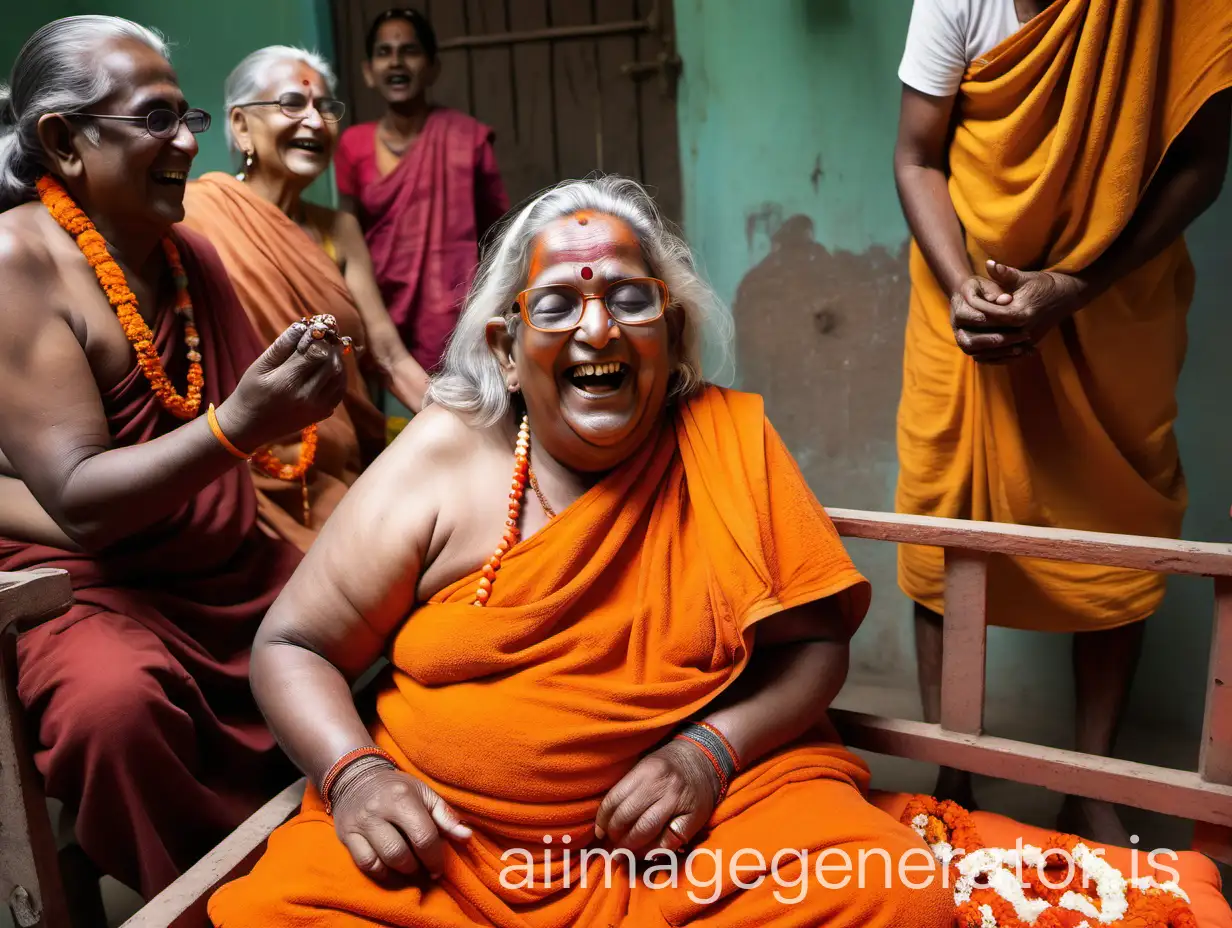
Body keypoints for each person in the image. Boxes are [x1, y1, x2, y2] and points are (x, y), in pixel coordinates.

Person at [207, 177, 953, 927]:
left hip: (703, 835)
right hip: (456, 851)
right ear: (505, 349)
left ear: (672, 330)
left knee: (892, 893)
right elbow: (294, 644)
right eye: (558, 304)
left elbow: (815, 644)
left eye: (631, 299)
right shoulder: (443, 453)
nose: (599, 331)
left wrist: (708, 753)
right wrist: (357, 777)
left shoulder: (727, 440)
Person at [0, 16, 348, 898]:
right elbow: (80, 499)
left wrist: (291, 403)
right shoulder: (17, 264)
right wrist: (243, 420)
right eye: (156, 120)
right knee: (112, 712)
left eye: (187, 117)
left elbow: (224, 445)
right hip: (94, 586)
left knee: (385, 624)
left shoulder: (191, 252)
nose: (189, 142)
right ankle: (207, 903)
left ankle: (329, 864)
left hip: (226, 567)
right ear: (62, 141)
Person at [893, 0, 1232, 844]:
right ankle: (953, 777)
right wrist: (961, 285)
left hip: (1115, 299)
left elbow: (1201, 163)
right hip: (967, 297)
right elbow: (916, 158)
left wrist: (1079, 284)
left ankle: (1094, 785)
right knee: (947, 521)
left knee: (1118, 521)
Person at [183, 46, 430, 550]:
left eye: (326, 108)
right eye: (292, 104)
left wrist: (479, 423)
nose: (315, 121)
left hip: (335, 468)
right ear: (242, 125)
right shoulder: (195, 212)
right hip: (233, 465)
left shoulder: (339, 228)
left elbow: (387, 356)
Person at [335, 7, 510, 375]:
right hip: (378, 308)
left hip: (454, 312)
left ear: (433, 67)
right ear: (369, 71)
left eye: (410, 51)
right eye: (384, 52)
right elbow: (347, 238)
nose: (396, 62)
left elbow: (498, 236)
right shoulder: (352, 144)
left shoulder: (467, 139)